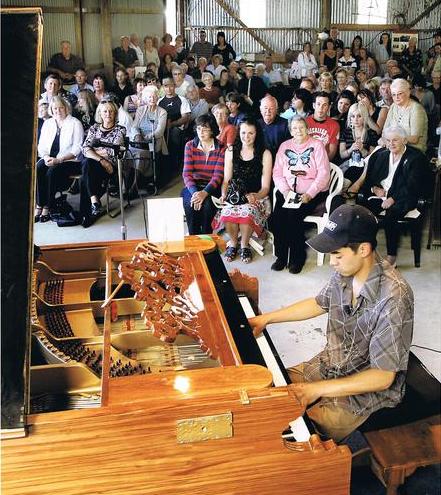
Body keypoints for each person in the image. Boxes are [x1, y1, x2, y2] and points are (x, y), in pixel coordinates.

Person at [249, 202, 414, 442]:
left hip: (365, 389)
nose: (332, 262)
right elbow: (319, 303)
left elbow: (382, 377)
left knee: (294, 437)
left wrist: (316, 390)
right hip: (331, 364)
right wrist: (267, 318)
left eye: (337, 255)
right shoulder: (346, 269)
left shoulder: (394, 297)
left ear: (364, 250)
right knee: (270, 393)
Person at [359, 126, 430, 266]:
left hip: (405, 197)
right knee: (362, 213)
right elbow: (370, 179)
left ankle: (391, 256)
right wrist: (374, 189)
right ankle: (368, 250)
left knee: (391, 215)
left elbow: (413, 186)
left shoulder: (416, 158)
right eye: (388, 140)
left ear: (404, 140)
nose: (391, 143)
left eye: (395, 140)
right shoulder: (381, 155)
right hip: (381, 195)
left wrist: (393, 198)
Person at [271, 116, 330, 273]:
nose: (298, 131)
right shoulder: (284, 146)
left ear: (307, 129)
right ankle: (281, 257)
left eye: (301, 127)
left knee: (293, 217)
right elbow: (277, 173)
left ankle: (297, 258)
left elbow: (324, 174)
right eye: (295, 128)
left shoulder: (317, 145)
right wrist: (285, 191)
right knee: (277, 219)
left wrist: (309, 194)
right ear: (290, 131)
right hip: (287, 192)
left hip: (311, 192)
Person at [213, 118, 272, 263]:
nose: (247, 137)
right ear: (239, 133)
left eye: (251, 133)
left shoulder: (265, 153)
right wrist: (224, 194)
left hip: (257, 196)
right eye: (244, 132)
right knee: (228, 211)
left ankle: (245, 245)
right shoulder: (231, 151)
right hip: (235, 194)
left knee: (247, 211)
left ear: (257, 134)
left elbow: (265, 188)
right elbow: (226, 180)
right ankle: (233, 243)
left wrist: (255, 196)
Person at [35, 96, 84, 222]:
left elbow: (77, 149)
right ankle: (39, 205)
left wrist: (59, 160)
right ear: (51, 109)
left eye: (61, 108)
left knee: (52, 172)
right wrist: (45, 157)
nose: (58, 111)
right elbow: (41, 145)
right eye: (55, 108)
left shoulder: (75, 123)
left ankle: (48, 206)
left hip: (70, 161)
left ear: (66, 108)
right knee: (38, 168)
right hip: (49, 158)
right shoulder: (48, 123)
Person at [80, 99, 126, 227]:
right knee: (88, 165)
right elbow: (84, 148)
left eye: (111, 111)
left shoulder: (120, 129)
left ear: (115, 113)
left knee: (85, 171)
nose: (108, 114)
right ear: (100, 113)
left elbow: (113, 150)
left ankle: (87, 213)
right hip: (99, 165)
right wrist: (101, 159)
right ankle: (94, 201)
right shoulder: (94, 128)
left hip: (111, 167)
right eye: (105, 111)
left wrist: (94, 151)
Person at [182, 114, 224, 234]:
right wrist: (196, 193)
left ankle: (207, 238)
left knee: (207, 207)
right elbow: (187, 174)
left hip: (212, 187)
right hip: (193, 186)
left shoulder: (221, 147)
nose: (201, 132)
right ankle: (193, 238)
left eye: (205, 129)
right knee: (190, 204)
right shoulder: (190, 145)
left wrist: (205, 193)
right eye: (199, 128)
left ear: (212, 131)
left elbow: (218, 175)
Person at [130, 86, 168, 186]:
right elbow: (134, 126)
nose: (152, 99)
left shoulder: (162, 112)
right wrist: (138, 135)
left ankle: (135, 186)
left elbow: (159, 132)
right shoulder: (140, 110)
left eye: (154, 96)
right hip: (139, 142)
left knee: (141, 155)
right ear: (146, 99)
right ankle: (128, 183)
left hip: (153, 142)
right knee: (129, 153)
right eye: (150, 97)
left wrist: (145, 138)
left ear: (157, 98)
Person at [339, 102, 378, 187]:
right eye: (353, 116)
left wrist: (362, 150)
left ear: (364, 117)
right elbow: (342, 155)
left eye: (359, 116)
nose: (355, 119)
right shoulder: (346, 132)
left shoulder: (371, 133)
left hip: (364, 168)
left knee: (355, 171)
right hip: (347, 165)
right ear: (350, 118)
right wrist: (350, 149)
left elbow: (372, 158)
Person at [383, 78, 428, 152]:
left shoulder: (416, 109)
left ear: (408, 93)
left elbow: (415, 139)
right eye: (393, 94)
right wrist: (384, 140)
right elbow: (385, 131)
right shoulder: (393, 106)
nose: (396, 97)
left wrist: (393, 140)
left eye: (400, 93)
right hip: (394, 147)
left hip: (413, 150)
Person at [158, 77, 191, 172]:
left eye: (171, 86)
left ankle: (175, 161)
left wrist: (172, 124)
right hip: (162, 128)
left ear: (174, 86)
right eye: (166, 86)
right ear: (162, 87)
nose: (168, 88)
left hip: (177, 127)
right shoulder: (159, 101)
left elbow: (185, 117)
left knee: (175, 132)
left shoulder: (182, 99)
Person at [306, 92, 340, 161]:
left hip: (324, 162)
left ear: (329, 107)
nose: (321, 108)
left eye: (324, 105)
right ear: (314, 105)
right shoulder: (304, 122)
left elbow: (331, 153)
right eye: (318, 104)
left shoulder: (334, 125)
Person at [257, 94, 290, 159]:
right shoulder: (256, 124)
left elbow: (289, 148)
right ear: (260, 110)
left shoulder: (285, 124)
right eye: (265, 108)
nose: (268, 111)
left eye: (271, 108)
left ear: (276, 110)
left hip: (279, 161)